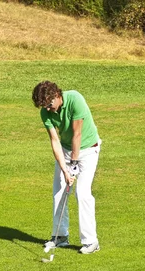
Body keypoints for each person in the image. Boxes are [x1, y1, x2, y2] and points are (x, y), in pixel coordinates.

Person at [32, 81, 101, 254]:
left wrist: (74, 164)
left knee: (82, 193)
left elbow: (77, 134)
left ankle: (91, 242)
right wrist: (65, 169)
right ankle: (60, 236)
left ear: (56, 95)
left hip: (88, 149)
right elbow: (55, 141)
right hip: (66, 150)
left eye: (49, 104)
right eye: (44, 106)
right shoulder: (45, 112)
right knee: (60, 191)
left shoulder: (75, 99)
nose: (48, 109)